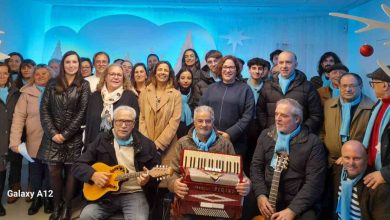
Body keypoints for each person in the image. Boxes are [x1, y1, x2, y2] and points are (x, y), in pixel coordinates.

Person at [73, 106, 160, 220]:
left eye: (128, 122)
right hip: (106, 195)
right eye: (120, 121)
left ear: (134, 124)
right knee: (86, 216)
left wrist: (148, 180)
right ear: (114, 122)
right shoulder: (101, 140)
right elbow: (77, 166)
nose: (123, 125)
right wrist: (93, 175)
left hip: (134, 193)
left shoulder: (147, 145)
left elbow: (157, 175)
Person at [167, 105, 251, 219]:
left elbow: (240, 174)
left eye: (208, 121)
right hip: (188, 205)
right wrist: (174, 184)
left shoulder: (225, 144)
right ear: (194, 122)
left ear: (213, 122)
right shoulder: (182, 143)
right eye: (200, 121)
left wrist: (246, 184)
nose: (204, 125)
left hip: (219, 207)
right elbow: (172, 173)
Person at [251, 98, 327, 220]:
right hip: (268, 196)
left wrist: (293, 210)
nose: (277, 118)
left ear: (297, 119)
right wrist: (260, 194)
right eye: (276, 114)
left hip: (297, 201)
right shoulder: (266, 135)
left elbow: (314, 183)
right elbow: (256, 167)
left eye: (284, 115)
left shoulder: (313, 143)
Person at [38, 51, 90, 220]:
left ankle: (67, 207)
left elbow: (83, 112)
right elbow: (44, 110)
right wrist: (53, 133)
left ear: (79, 64)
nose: (71, 65)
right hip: (52, 137)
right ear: (63, 64)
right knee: (53, 173)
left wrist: (66, 134)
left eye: (75, 62)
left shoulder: (84, 85)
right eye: (68, 62)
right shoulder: (52, 83)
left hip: (73, 137)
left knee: (71, 173)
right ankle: (56, 205)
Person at [138, 60, 181, 219]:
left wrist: (158, 144)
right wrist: (148, 144)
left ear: (169, 73)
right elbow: (141, 118)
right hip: (146, 145)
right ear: (155, 72)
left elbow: (174, 121)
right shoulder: (145, 91)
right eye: (160, 70)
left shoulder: (175, 94)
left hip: (167, 146)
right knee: (147, 181)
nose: (162, 72)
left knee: (164, 184)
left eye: (166, 70)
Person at [9, 64, 54, 215]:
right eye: (37, 74)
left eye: (44, 74)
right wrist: (14, 141)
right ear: (33, 76)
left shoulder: (57, 90)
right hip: (33, 138)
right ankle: (36, 198)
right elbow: (18, 118)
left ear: (50, 75)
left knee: (50, 171)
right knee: (35, 171)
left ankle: (47, 198)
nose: (40, 76)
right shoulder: (26, 93)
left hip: (53, 139)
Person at [200, 55, 255, 161]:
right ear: (220, 69)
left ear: (236, 70)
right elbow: (201, 110)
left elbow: (248, 116)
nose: (228, 70)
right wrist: (209, 131)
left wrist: (230, 134)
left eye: (231, 67)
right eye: (225, 67)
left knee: (231, 176)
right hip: (210, 139)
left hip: (236, 142)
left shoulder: (245, 90)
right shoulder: (211, 88)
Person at [256, 50, 323, 133]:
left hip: (299, 139)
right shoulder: (267, 86)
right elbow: (260, 111)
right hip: (272, 136)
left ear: (295, 65)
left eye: (288, 62)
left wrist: (302, 131)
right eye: (281, 62)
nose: (284, 66)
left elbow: (316, 115)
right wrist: (267, 129)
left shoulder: (308, 87)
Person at [322, 73, 374, 166]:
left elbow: (372, 140)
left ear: (361, 86)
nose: (348, 89)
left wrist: (349, 156)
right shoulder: (328, 105)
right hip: (330, 162)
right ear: (339, 87)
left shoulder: (372, 108)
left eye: (352, 86)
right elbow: (322, 131)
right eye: (344, 86)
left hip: (356, 164)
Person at [332, 140, 390, 220]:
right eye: (346, 157)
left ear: (366, 159)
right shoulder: (336, 171)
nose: (351, 163)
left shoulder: (377, 187)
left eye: (357, 158)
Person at [85, 64, 139, 145]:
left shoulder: (130, 97)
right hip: (95, 146)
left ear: (123, 79)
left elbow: (135, 124)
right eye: (112, 74)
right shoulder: (95, 96)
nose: (116, 77)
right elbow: (89, 124)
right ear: (105, 77)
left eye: (119, 75)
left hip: (120, 146)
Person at [7, 58, 36, 204]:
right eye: (23, 68)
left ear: (34, 69)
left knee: (32, 159)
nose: (26, 70)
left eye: (29, 67)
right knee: (15, 160)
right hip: (17, 126)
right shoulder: (14, 85)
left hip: (32, 128)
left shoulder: (39, 84)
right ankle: (15, 188)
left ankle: (32, 187)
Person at [362, 66, 390, 189]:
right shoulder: (380, 104)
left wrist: (385, 174)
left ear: (384, 85)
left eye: (373, 83)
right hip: (374, 170)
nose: (372, 87)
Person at [0, 63, 19, 216]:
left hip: (7, 141)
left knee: (2, 173)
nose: (2, 76)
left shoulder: (14, 93)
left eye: (5, 73)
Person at [245, 57, 270, 173]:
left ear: (264, 71)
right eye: (254, 68)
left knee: (258, 157)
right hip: (244, 125)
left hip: (261, 126)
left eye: (260, 69)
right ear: (249, 70)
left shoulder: (268, 87)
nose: (257, 71)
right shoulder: (242, 86)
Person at [176, 68, 195, 139]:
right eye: (182, 78)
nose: (186, 81)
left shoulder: (195, 92)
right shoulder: (173, 93)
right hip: (176, 126)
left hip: (191, 126)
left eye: (189, 78)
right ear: (178, 80)